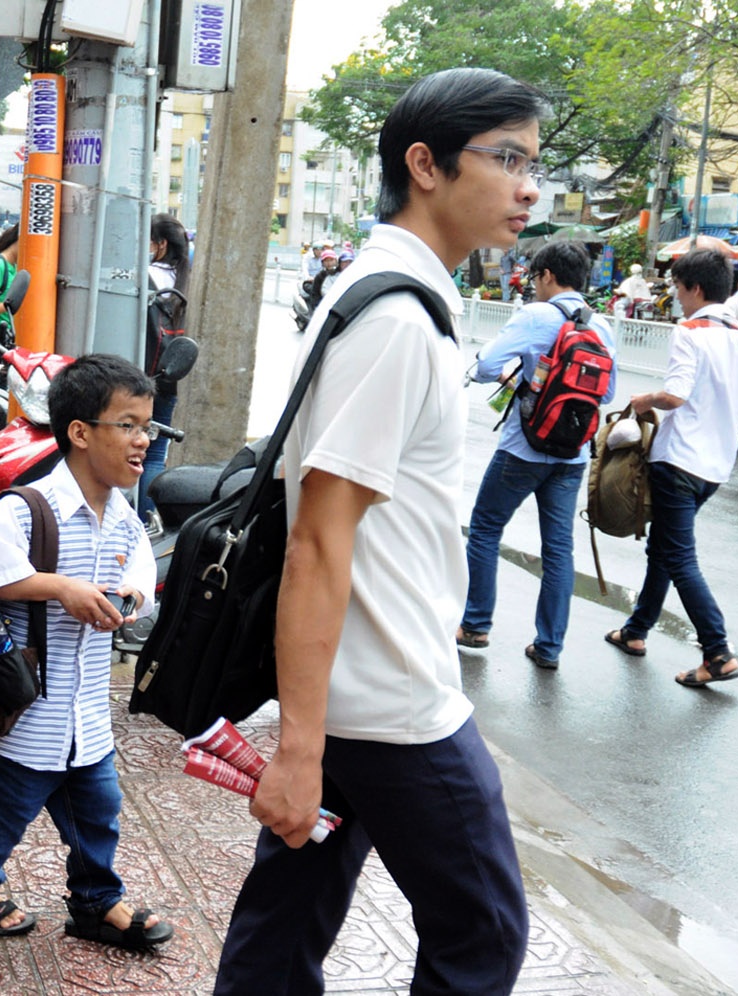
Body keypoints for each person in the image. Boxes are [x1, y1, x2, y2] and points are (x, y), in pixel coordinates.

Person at [213, 67, 543, 995]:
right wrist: (300, 747)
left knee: (283, 928)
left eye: (533, 163)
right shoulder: (396, 316)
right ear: (426, 165)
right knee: (481, 935)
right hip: (393, 700)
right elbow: (320, 537)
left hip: (353, 688)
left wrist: (310, 739)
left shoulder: (396, 294)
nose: (528, 187)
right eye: (508, 158)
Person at [0, 353, 172, 949]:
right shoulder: (29, 506)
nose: (143, 440)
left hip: (86, 716)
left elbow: (140, 576)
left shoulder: (124, 518)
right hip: (25, 714)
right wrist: (61, 588)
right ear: (81, 432)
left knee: (98, 813)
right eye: (129, 425)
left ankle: (97, 902)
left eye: (148, 426)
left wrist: (131, 594)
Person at [603, 248, 738, 688]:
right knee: (665, 550)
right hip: (715, 466)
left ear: (694, 288)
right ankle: (635, 631)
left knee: (678, 556)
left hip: (679, 460)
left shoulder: (690, 332)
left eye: (676, 287)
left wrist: (642, 401)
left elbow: (674, 395)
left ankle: (717, 652)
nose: (675, 296)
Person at [457, 241, 618, 666]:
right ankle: (549, 647)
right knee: (559, 550)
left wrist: (526, 373)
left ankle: (475, 625)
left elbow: (488, 366)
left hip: (523, 447)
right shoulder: (602, 327)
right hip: (574, 454)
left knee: (487, 528)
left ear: (547, 275)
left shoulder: (535, 315)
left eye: (534, 278)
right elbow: (610, 392)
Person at [139, 213, 191, 520]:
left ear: (160, 245)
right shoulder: (186, 279)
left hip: (140, 376)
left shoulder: (148, 276)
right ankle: (151, 521)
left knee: (130, 453)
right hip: (170, 376)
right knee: (155, 456)